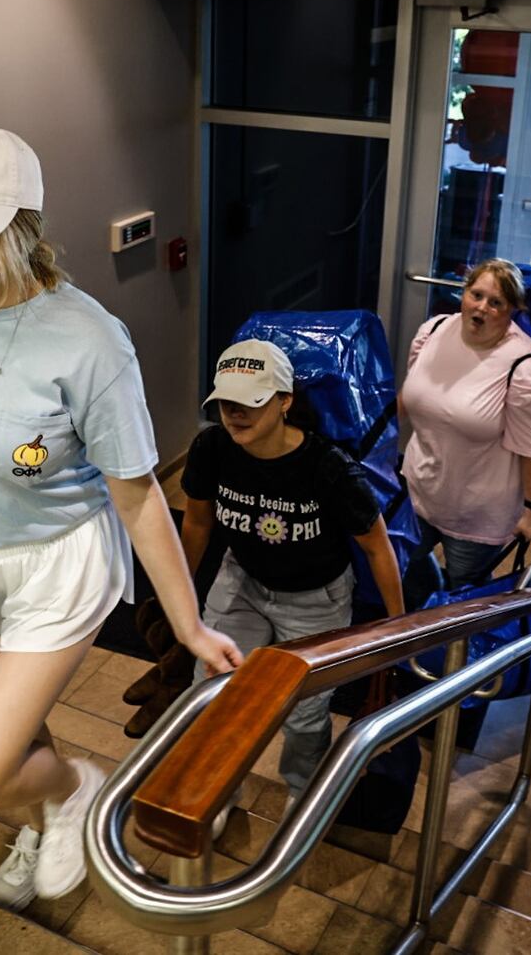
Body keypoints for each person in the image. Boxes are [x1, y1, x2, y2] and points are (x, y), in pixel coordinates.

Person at [0, 126, 241, 910]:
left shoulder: (90, 343)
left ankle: (74, 790)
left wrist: (191, 626)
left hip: (53, 562)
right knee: (10, 731)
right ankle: (41, 813)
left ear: (23, 227)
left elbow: (137, 497)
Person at [179, 338, 405, 800]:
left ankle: (305, 796)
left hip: (314, 600)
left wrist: (398, 628)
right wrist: (178, 592)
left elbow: (379, 548)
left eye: (250, 403)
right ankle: (214, 788)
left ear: (285, 402)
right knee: (211, 690)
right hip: (242, 579)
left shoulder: (329, 469)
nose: (234, 413)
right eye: (226, 402)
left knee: (303, 716)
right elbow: (198, 520)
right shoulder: (212, 447)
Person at [400, 258, 531, 602]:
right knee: (406, 573)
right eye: (476, 294)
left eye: (496, 302)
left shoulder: (527, 367)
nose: (482, 307)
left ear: (513, 309)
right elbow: (411, 397)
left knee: (464, 600)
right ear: (464, 293)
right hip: (417, 491)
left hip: (476, 515)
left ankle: (453, 654)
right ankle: (415, 642)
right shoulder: (434, 331)